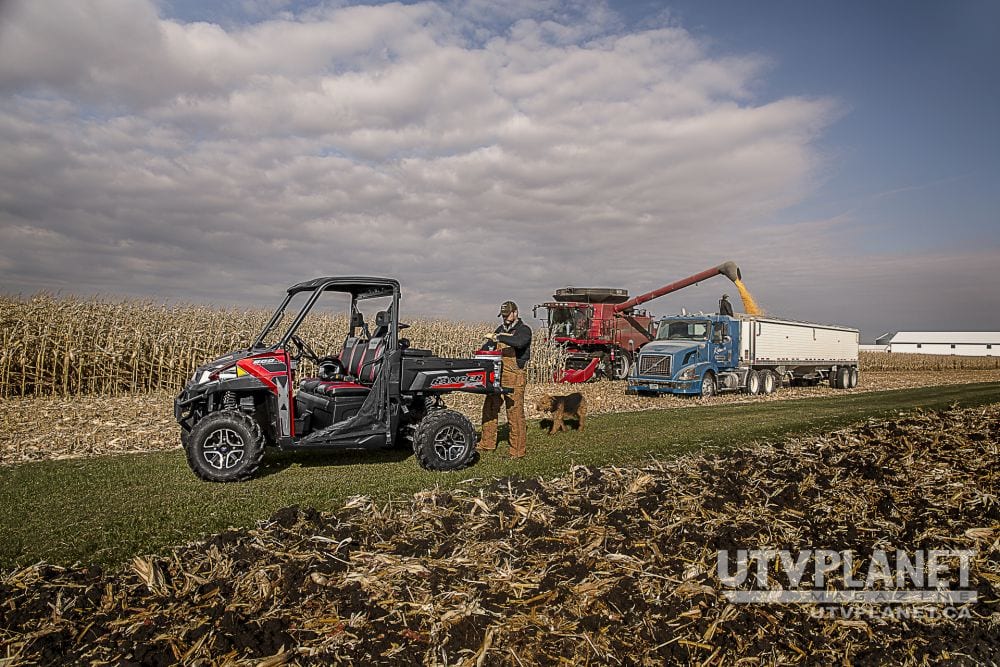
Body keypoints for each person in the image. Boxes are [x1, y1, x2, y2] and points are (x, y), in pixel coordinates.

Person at [479, 300, 532, 458]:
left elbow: (519, 343)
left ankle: (517, 451)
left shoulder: (524, 330)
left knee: (514, 412)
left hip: (515, 375)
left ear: (516, 312)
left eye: (507, 315)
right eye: (502, 316)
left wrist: (499, 337)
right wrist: (485, 349)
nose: (505, 318)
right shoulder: (500, 329)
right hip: (497, 374)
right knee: (489, 407)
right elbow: (488, 346)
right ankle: (486, 443)